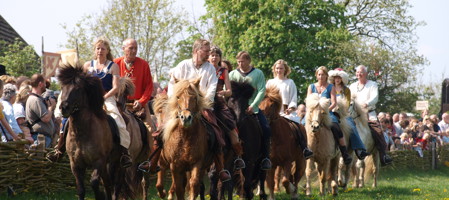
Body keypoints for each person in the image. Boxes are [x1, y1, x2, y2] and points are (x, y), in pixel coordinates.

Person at [228, 51, 272, 170]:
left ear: (248, 61)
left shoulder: (258, 73)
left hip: (253, 109)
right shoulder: (232, 74)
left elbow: (262, 90)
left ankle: (265, 158)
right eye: (238, 62)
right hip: (235, 110)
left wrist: (253, 105)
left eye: (242, 61)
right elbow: (227, 91)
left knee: (266, 129)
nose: (240, 64)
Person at [265, 59, 313, 159]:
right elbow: (266, 98)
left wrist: (291, 108)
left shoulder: (290, 82)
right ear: (274, 69)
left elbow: (293, 97)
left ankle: (304, 148)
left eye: (281, 68)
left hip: (286, 113)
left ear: (285, 69)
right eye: (277, 68)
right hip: (272, 114)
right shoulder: (270, 82)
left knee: (298, 127)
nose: (279, 70)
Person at [306, 66, 352, 165]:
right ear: (316, 75)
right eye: (319, 74)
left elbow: (334, 103)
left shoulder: (331, 87)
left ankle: (344, 152)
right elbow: (308, 102)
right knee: (301, 127)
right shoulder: (311, 87)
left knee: (336, 127)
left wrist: (325, 110)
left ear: (326, 76)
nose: (321, 76)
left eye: (323, 74)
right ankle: (304, 150)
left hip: (327, 113)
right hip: (313, 114)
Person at [209, 46, 245, 169]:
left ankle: (238, 155)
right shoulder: (204, 68)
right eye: (212, 55)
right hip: (204, 102)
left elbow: (229, 91)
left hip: (218, 102)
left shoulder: (223, 71)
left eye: (217, 55)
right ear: (208, 56)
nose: (214, 57)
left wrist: (224, 93)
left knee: (230, 123)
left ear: (220, 57)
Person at [349, 65, 392, 166]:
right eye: (357, 72)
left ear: (366, 74)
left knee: (378, 130)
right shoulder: (352, 86)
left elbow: (375, 98)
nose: (359, 74)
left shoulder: (372, 84)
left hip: (369, 113)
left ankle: (383, 155)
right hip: (355, 114)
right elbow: (349, 98)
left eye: (361, 72)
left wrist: (367, 103)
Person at [328, 68, 369, 160]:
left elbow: (347, 104)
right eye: (335, 77)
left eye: (339, 77)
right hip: (330, 112)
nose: (337, 79)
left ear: (342, 79)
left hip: (343, 114)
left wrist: (340, 108)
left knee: (351, 126)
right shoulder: (329, 88)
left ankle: (359, 149)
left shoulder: (346, 90)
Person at [114, 38, 154, 123]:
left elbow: (149, 87)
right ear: (123, 48)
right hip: (118, 104)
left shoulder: (144, 65)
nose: (134, 51)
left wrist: (141, 101)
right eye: (131, 48)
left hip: (138, 105)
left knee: (149, 129)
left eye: (136, 48)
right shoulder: (115, 63)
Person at [26, 74, 55, 148]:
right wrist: (51, 107)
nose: (46, 85)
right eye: (45, 83)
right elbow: (46, 118)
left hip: (43, 137)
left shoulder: (37, 98)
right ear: (40, 84)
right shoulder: (35, 100)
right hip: (40, 138)